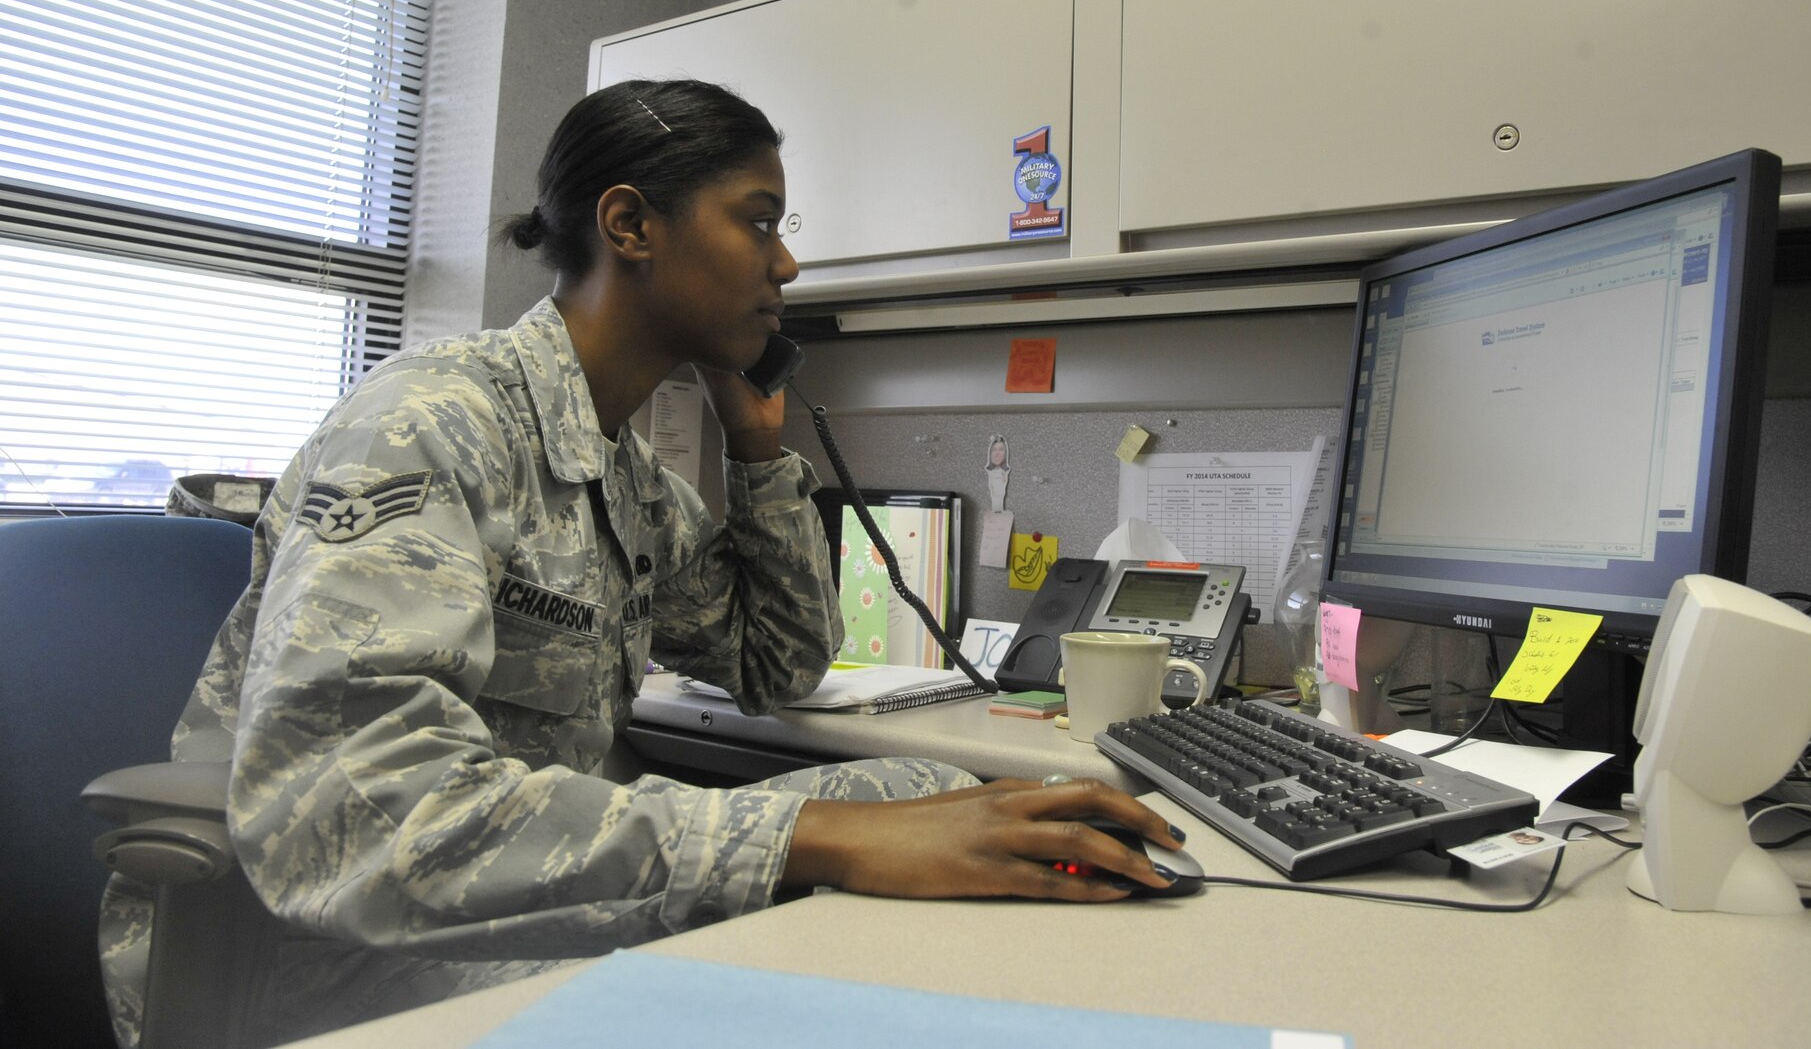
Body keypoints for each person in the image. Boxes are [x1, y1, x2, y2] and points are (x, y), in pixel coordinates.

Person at [99, 79, 1182, 1046]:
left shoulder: (621, 472)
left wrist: (758, 448)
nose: (786, 262)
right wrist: (809, 834)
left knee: (930, 788)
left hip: (514, 896)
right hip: (340, 956)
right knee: (812, 963)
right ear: (630, 222)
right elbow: (369, 818)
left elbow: (778, 659)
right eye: (756, 220)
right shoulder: (431, 425)